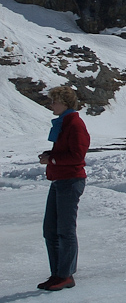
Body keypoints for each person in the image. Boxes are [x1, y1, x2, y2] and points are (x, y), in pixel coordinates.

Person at [37, 85, 90, 292]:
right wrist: (50, 156)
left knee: (65, 230)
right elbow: (66, 151)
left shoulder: (75, 124)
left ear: (65, 102)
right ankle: (58, 273)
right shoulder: (63, 123)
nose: (51, 105)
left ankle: (65, 274)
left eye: (54, 101)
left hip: (70, 181)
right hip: (60, 180)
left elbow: (77, 156)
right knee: (50, 229)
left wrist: (53, 159)